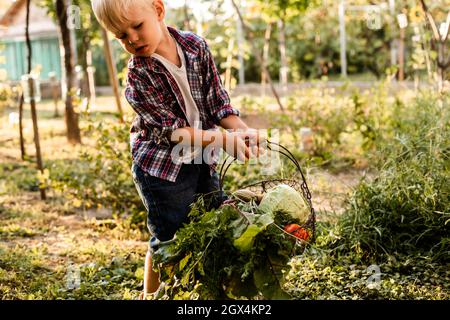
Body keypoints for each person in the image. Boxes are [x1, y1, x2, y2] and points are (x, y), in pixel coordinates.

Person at [91, 0, 263, 299]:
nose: (131, 39)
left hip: (202, 158)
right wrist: (223, 140)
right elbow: (172, 134)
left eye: (136, 26)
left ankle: (212, 290)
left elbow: (217, 102)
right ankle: (151, 295)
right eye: (120, 36)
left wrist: (241, 130)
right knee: (168, 234)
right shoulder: (138, 76)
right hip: (162, 170)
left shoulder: (196, 48)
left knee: (211, 222)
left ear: (158, 10)